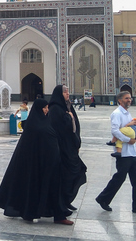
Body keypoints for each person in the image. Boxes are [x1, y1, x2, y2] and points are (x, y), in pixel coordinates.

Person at [0, 99, 73, 225]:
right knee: (33, 188)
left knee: (53, 188)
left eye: (47, 107)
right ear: (38, 109)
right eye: (44, 108)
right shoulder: (34, 126)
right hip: (36, 165)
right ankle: (30, 213)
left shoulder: (46, 121)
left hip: (49, 164)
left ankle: (58, 215)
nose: (47, 110)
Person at [95, 91, 136, 215]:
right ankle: (103, 198)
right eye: (126, 98)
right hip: (123, 153)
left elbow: (131, 129)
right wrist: (128, 140)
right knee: (119, 178)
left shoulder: (127, 113)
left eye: (130, 98)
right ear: (120, 100)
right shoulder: (116, 114)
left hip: (132, 152)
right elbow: (115, 131)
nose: (129, 100)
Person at [47, 85, 87, 214]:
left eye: (68, 91)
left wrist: (76, 144)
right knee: (66, 175)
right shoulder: (55, 109)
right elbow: (59, 129)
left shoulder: (67, 107)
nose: (68, 93)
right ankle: (62, 201)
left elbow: (74, 127)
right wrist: (69, 118)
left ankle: (66, 200)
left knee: (77, 171)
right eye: (65, 92)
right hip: (62, 150)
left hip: (70, 148)